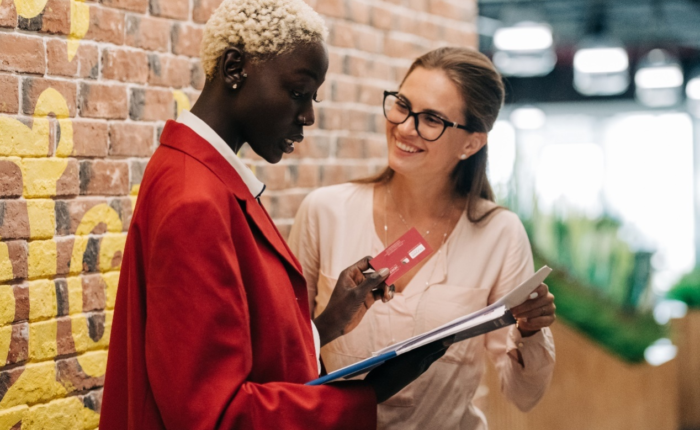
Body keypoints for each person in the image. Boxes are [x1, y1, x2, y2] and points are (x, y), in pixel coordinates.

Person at [99, 1, 451, 429]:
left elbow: (241, 360)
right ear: (234, 69)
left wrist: (326, 324)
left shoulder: (196, 174)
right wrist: (373, 391)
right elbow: (214, 416)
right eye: (299, 92)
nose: (308, 116)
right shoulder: (195, 199)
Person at [288, 47, 557, 430]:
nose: (404, 127)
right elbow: (285, 354)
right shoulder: (326, 212)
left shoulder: (499, 233)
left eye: (431, 119)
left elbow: (524, 395)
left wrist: (530, 330)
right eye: (402, 105)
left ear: (471, 143)